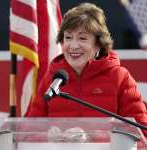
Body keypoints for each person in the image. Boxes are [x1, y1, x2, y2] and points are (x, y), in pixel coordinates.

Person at [26, 2, 147, 137]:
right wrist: (45, 137)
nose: (73, 45)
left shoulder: (120, 78)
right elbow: (27, 133)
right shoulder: (52, 79)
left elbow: (142, 133)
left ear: (98, 45)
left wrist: (92, 138)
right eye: (68, 37)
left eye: (82, 38)